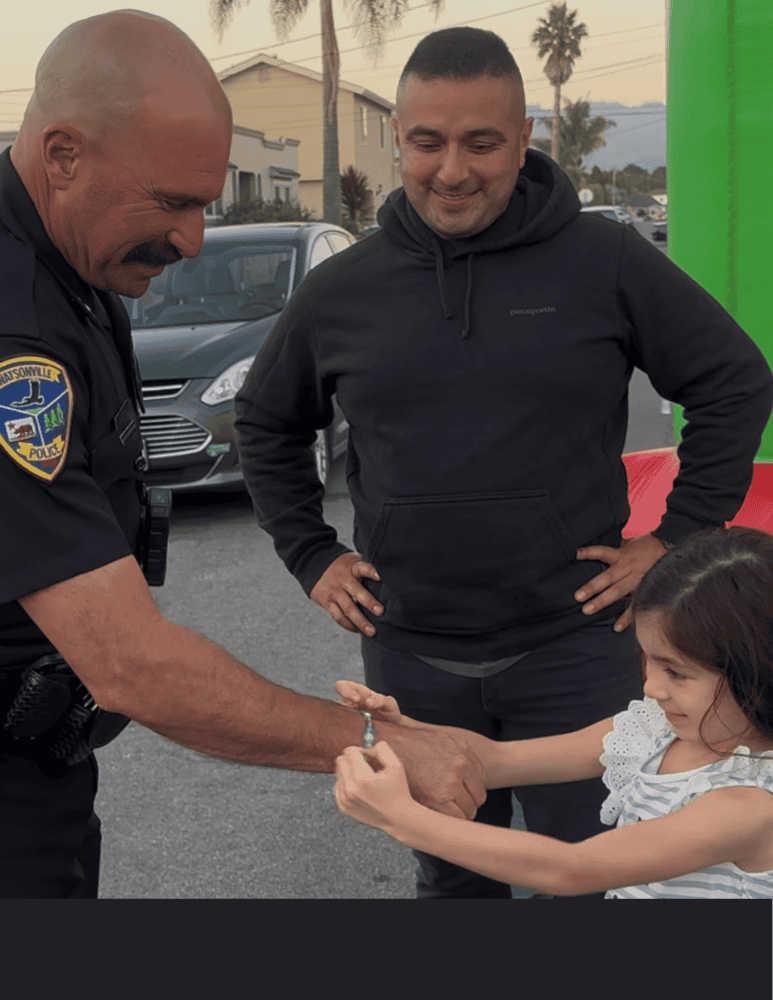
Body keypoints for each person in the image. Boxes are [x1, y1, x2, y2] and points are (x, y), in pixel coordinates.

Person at [234, 25, 773, 899]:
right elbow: (264, 422)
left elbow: (733, 382)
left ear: (523, 139)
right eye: (427, 142)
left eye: (481, 142)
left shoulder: (605, 261)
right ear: (402, 140)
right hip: (411, 651)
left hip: (572, 646)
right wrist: (309, 551)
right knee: (454, 884)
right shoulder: (343, 290)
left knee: (598, 880)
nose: (453, 169)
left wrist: (673, 538)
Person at [0, 10, 485, 900]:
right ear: (63, 154)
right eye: (173, 203)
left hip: (47, 767)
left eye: (204, 203)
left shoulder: (75, 269)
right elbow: (127, 661)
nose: (190, 242)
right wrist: (375, 747)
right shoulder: (12, 327)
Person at [335, 526, 773, 898]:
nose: (651, 687)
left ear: (757, 670)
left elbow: (574, 868)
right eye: (649, 661)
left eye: (677, 673)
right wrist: (408, 731)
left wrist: (403, 819)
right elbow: (498, 759)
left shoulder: (749, 804)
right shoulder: (653, 730)